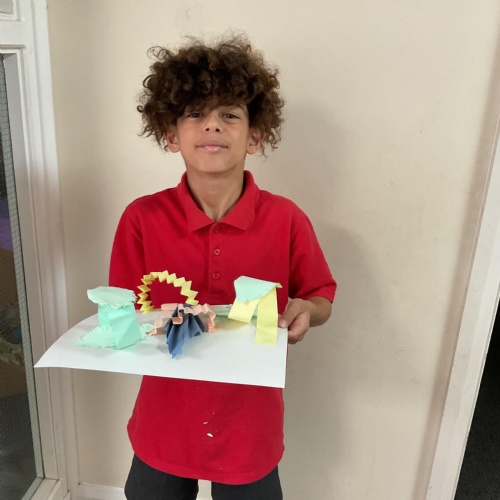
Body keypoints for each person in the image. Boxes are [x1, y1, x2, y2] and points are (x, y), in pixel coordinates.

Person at [109, 34, 336, 500]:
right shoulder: (141, 218)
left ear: (255, 135)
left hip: (250, 428)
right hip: (163, 424)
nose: (212, 125)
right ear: (170, 134)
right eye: (195, 114)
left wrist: (306, 310)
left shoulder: (287, 219)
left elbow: (320, 296)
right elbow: (126, 310)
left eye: (229, 115)